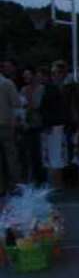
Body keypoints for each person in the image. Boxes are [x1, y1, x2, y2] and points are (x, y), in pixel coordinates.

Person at [39, 62, 68, 189]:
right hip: (55, 125)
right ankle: (57, 183)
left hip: (53, 126)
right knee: (55, 155)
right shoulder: (53, 89)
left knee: (54, 155)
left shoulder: (49, 89)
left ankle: (57, 184)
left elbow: (50, 109)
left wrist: (48, 123)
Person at [20, 65, 46, 184]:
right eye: (24, 75)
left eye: (27, 75)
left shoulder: (41, 89)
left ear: (34, 75)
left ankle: (41, 179)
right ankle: (33, 179)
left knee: (39, 154)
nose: (25, 77)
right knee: (29, 154)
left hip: (39, 124)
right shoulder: (23, 89)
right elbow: (21, 107)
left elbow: (36, 105)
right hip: (27, 125)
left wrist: (28, 104)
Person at [0, 66, 21, 194]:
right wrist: (16, 123)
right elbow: (16, 104)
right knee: (11, 157)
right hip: (6, 125)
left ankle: (1, 187)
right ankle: (15, 185)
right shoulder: (7, 83)